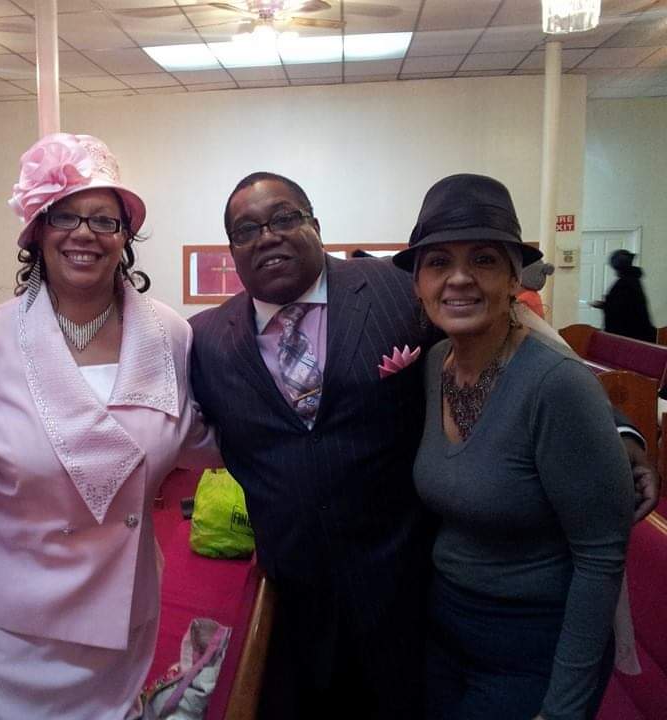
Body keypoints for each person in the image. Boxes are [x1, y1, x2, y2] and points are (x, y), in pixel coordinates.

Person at [188, 171, 660, 719]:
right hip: (298, 602)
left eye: (285, 217)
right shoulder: (206, 342)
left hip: (411, 596)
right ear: (232, 249)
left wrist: (616, 430)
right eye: (246, 229)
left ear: (317, 226)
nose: (267, 235)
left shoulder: (396, 290)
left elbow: (524, 341)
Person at [0, 133, 218, 720]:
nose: (85, 233)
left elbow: (197, 435)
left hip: (119, 612)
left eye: (105, 220)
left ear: (125, 238)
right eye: (65, 216)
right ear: (38, 230)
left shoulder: (168, 334)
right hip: (1, 625)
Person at [393, 173, 633, 720]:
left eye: (481, 259)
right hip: (447, 634)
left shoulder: (556, 385)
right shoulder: (435, 366)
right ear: (418, 284)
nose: (458, 279)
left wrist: (564, 709)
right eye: (438, 263)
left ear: (512, 279)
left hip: (533, 649)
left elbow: (600, 555)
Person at [592, 249, 656, 342]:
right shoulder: (631, 280)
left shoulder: (626, 282)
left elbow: (621, 309)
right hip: (634, 333)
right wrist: (606, 304)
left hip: (629, 334)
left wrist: (605, 305)